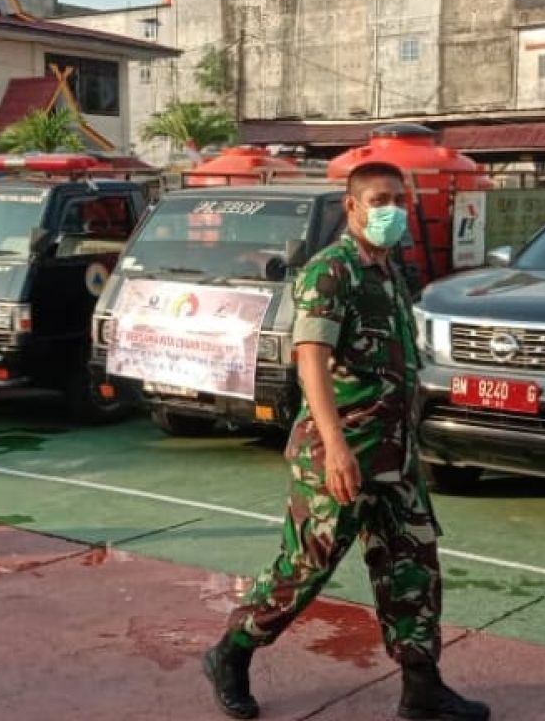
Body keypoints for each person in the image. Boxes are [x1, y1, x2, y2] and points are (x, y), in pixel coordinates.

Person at [202, 163, 490, 721]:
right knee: (305, 567)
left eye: (397, 200)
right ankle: (231, 652)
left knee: (413, 565)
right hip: (342, 453)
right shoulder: (331, 270)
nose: (391, 211)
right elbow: (310, 359)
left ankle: (421, 688)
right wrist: (335, 447)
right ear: (352, 206)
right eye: (379, 200)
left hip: (394, 453)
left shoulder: (387, 270)